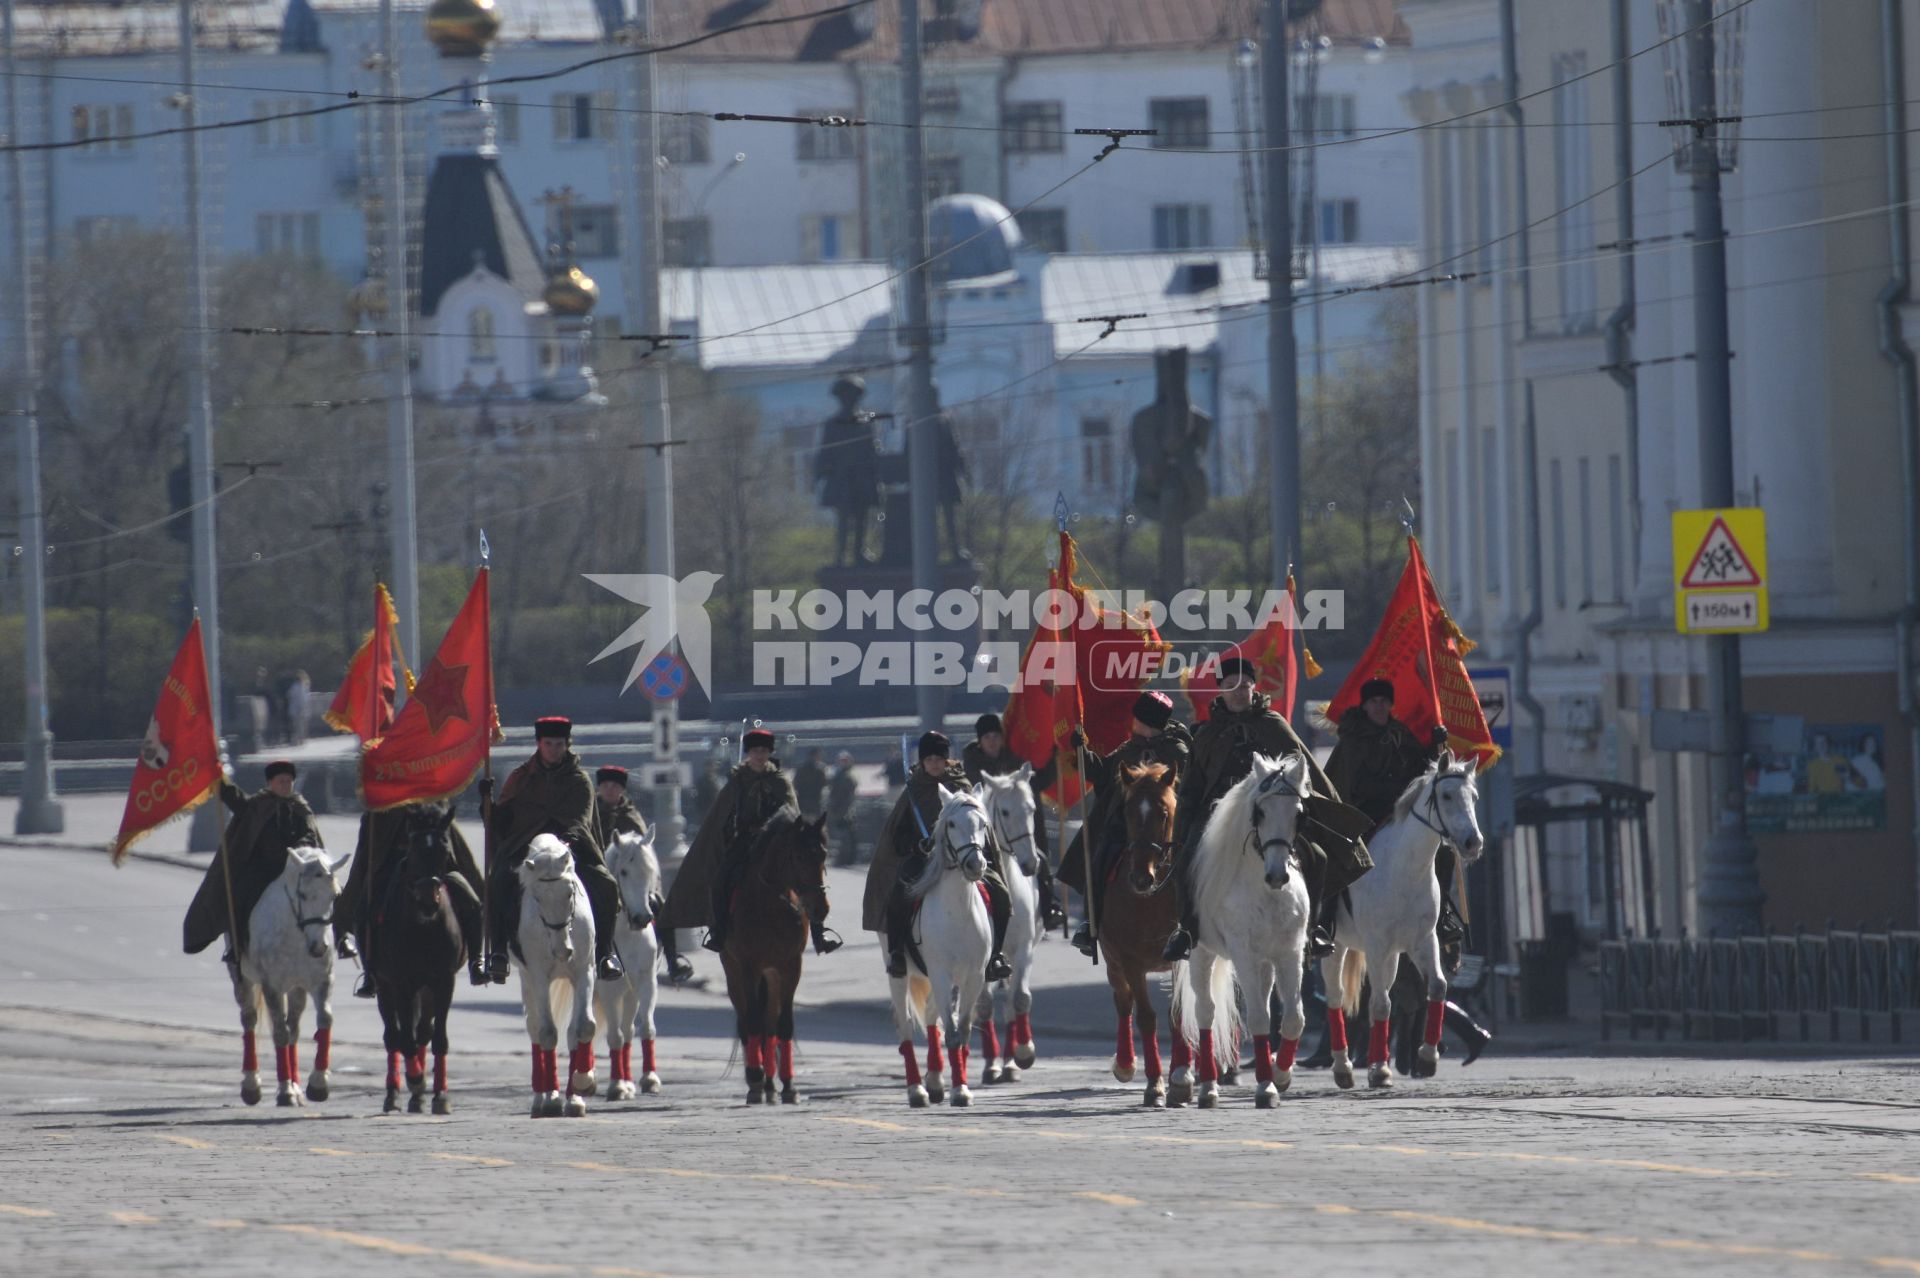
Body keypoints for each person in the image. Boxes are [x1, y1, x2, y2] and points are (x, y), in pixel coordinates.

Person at [1161, 657, 1371, 962]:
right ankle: (1188, 929)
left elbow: (1305, 769)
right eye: (1231, 686)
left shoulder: (1272, 724)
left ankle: (1312, 930)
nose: (1239, 692)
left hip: (1271, 814)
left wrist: (1321, 809)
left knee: (1320, 857)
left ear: (1253, 687)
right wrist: (1181, 834)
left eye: (1244, 685)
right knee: (1187, 861)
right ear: (1220, 690)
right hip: (1218, 817)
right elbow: (1192, 788)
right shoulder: (1206, 734)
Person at [663, 727, 839, 956]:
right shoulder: (737, 782)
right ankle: (720, 930)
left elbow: (791, 814)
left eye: (764, 751)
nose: (760, 755)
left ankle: (818, 933)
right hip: (746, 841)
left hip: (778, 842)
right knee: (721, 879)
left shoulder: (780, 781)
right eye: (755, 750)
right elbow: (722, 816)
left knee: (807, 877)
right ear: (748, 753)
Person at [480, 717, 625, 985]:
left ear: (567, 745)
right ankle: (498, 952)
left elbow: (581, 819)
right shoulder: (520, 777)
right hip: (526, 850)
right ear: (539, 744)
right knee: (498, 880)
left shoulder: (579, 780)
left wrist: (568, 840)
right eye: (549, 744)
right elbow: (502, 822)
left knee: (606, 885)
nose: (554, 749)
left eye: (560, 744)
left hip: (570, 850)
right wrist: (486, 803)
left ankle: (605, 953)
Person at [865, 731, 1012, 982]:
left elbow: (979, 826)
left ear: (947, 760)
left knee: (1001, 894)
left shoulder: (962, 786)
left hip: (965, 858)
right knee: (899, 893)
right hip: (923, 859)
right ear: (922, 761)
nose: (934, 764)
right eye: (929, 759)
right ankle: (898, 953)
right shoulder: (913, 790)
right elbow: (898, 833)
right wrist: (915, 846)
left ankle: (995, 954)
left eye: (939, 759)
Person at [1325, 678, 1461, 947]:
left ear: (1390, 705)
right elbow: (1348, 784)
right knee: (1337, 853)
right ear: (1364, 706)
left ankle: (1442, 914)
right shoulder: (1352, 741)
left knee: (1444, 852)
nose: (1379, 707)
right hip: (1362, 815)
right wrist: (1396, 789)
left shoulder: (1401, 735)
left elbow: (1424, 771)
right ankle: (1324, 922)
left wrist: (1435, 746)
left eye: (1384, 702)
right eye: (1373, 702)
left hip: (1404, 814)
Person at [1060, 690, 1193, 959]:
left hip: (1168, 829)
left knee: (1193, 866)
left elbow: (1189, 788)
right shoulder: (1128, 748)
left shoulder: (1178, 751)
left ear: (1147, 721)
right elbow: (1101, 773)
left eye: (1138, 718)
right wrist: (1081, 750)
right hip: (1125, 827)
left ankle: (1192, 926)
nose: (1133, 721)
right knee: (1099, 860)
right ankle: (1091, 924)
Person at [340, 799, 487, 996]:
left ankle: (476, 962)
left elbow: (447, 840)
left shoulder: (434, 803)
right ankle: (370, 974)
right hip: (394, 866)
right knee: (363, 909)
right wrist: (375, 813)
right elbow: (373, 841)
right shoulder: (387, 806)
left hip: (438, 868)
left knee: (472, 902)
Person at [182, 761, 324, 962]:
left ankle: (334, 939)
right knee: (241, 897)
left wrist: (298, 849)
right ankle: (238, 945)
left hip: (292, 869)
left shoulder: (301, 809)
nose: (285, 785)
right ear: (270, 783)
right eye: (280, 781)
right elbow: (234, 797)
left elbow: (310, 835)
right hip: (261, 871)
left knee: (323, 893)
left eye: (289, 781)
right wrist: (216, 777)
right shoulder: (257, 805)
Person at [961, 711, 1067, 931]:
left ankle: (1049, 908)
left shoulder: (1015, 761)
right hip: (984, 834)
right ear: (980, 740)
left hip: (1020, 831)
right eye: (987, 736)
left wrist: (1057, 756)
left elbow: (1038, 782)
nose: (992, 740)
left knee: (1041, 860)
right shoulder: (971, 765)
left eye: (995, 736)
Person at [593, 765, 692, 984]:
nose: (610, 790)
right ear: (599, 788)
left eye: (615, 786)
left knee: (659, 905)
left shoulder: (631, 815)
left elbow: (643, 853)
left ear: (622, 790)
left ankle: (673, 959)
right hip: (595, 875)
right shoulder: (589, 813)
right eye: (606, 786)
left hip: (630, 880)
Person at [814, 374, 881, 567]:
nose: (850, 400)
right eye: (846, 396)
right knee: (843, 520)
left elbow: (873, 451)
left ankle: (859, 553)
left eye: (854, 396)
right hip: (841, 479)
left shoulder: (866, 422)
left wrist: (877, 476)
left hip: (862, 479)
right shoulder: (832, 424)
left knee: (862, 518)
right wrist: (819, 475)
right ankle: (841, 556)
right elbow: (824, 453)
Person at [827, 751, 861, 867]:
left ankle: (847, 859)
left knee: (847, 835)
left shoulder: (848, 776)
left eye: (845, 761)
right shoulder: (838, 774)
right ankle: (844, 858)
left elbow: (849, 794)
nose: (842, 763)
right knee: (843, 834)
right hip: (838, 808)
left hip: (846, 809)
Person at [794, 747, 830, 820]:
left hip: (803, 800)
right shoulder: (820, 769)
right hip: (814, 801)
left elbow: (795, 783)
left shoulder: (801, 767)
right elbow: (825, 783)